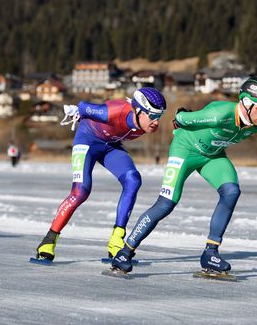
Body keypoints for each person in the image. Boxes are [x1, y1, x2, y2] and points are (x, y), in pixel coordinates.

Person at [111, 77, 257, 275]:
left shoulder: (255, 126)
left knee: (231, 191)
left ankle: (210, 253)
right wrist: (181, 119)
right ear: (247, 103)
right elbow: (180, 119)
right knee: (166, 203)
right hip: (185, 151)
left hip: (212, 156)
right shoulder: (218, 114)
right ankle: (125, 253)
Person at [34, 87, 167, 262]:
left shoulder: (144, 121)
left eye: (159, 117)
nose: (156, 122)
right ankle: (48, 240)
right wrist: (76, 111)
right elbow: (83, 106)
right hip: (87, 140)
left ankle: (116, 240)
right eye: (152, 116)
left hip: (110, 145)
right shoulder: (114, 111)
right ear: (138, 111)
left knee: (133, 180)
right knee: (81, 191)